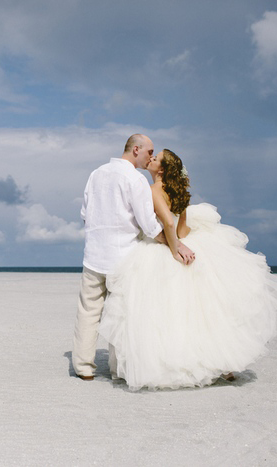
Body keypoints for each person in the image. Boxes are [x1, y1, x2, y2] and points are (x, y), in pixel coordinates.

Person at [99, 149, 277, 390]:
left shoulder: (154, 190)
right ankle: (221, 363)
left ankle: (173, 364)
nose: (151, 159)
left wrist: (175, 248)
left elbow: (168, 223)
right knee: (204, 311)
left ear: (163, 170)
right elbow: (183, 230)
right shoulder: (179, 193)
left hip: (165, 248)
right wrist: (181, 241)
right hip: (184, 242)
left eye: (156, 159)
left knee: (165, 312)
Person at [73, 135, 194, 381]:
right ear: (135, 149)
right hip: (123, 259)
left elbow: (85, 214)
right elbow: (149, 226)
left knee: (88, 311)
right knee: (121, 314)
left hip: (93, 255)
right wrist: (175, 244)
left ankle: (83, 368)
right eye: (149, 151)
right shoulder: (135, 179)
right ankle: (118, 370)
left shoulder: (96, 173)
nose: (151, 156)